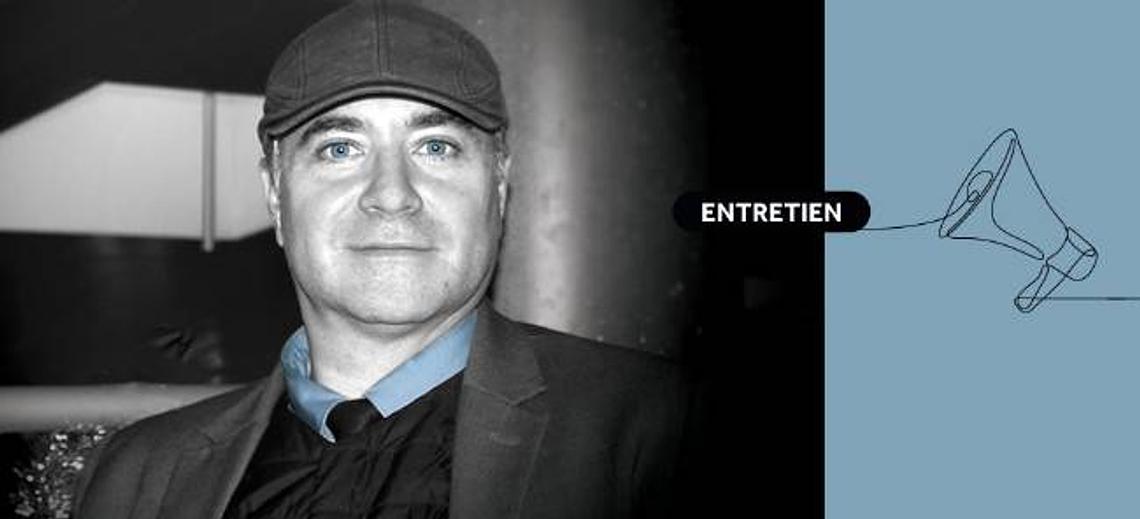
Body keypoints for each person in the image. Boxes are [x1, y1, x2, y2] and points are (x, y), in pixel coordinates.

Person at [72, 1, 691, 518]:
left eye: (436, 147)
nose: (392, 194)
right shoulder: (135, 482)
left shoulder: (660, 435)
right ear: (275, 194)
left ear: (499, 186)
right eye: (340, 148)